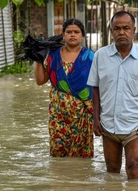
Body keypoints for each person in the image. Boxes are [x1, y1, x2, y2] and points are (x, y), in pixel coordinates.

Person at [87, 11, 138, 180]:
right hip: (108, 123)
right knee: (112, 170)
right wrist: (95, 119)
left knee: (133, 166)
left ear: (134, 30)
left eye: (126, 28)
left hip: (135, 124)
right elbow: (95, 89)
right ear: (111, 32)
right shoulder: (100, 56)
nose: (121, 32)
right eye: (117, 28)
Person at [34, 18, 95, 158]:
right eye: (69, 32)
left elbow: (99, 86)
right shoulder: (53, 56)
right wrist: (38, 60)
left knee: (81, 156)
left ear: (82, 36)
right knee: (57, 152)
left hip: (83, 115)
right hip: (58, 115)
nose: (72, 35)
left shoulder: (91, 58)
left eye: (76, 32)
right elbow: (40, 81)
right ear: (63, 35)